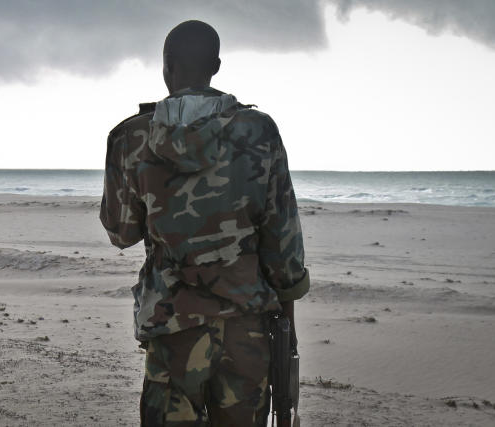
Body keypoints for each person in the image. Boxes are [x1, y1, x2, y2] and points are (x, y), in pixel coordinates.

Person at [100, 20, 310, 426]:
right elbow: (284, 243)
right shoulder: (259, 131)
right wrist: (288, 326)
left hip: (172, 323)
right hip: (246, 323)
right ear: (215, 66)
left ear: (167, 65)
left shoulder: (130, 137)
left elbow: (120, 232)